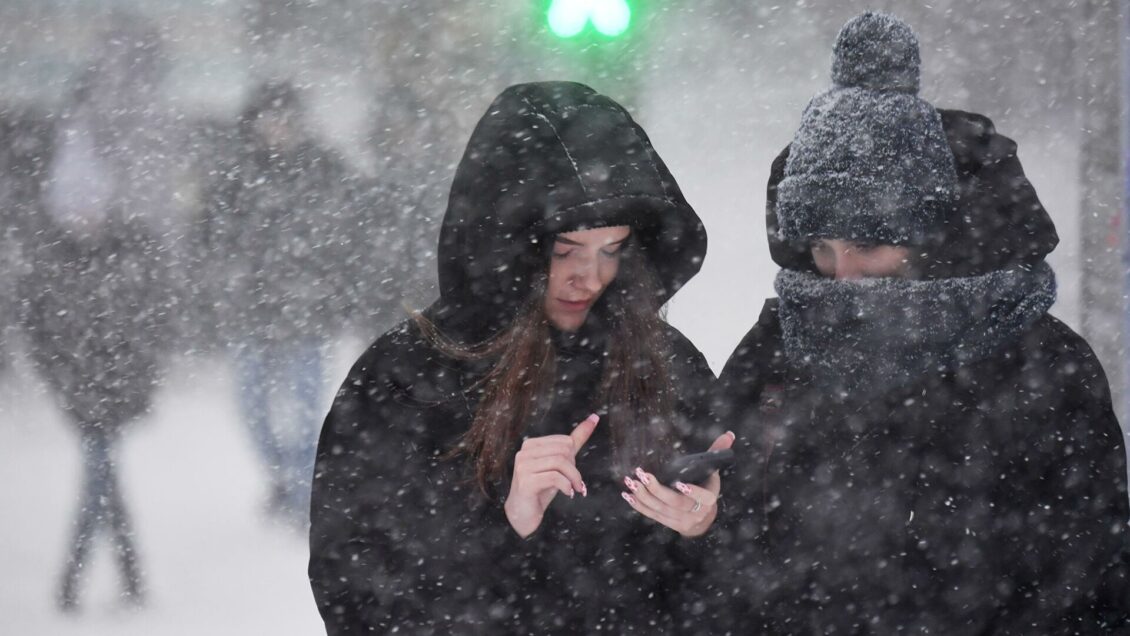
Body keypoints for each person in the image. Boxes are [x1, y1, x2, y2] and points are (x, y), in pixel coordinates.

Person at [710, 12, 1129, 633]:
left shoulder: (1041, 363)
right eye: (822, 249)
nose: (841, 274)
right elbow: (722, 555)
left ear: (931, 239)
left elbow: (1094, 582)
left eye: (867, 245)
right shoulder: (776, 349)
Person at [308, 81, 731, 634]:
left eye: (614, 250)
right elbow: (357, 592)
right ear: (505, 245)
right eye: (566, 251)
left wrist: (705, 527)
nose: (592, 276)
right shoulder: (409, 376)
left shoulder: (664, 363)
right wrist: (506, 528)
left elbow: (746, 582)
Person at [207, 80, 354, 527]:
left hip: (308, 314)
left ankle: (300, 492)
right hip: (251, 313)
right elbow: (212, 238)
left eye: (284, 117)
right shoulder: (235, 175)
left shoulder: (324, 169)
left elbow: (349, 236)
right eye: (269, 117)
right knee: (253, 409)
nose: (277, 127)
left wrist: (331, 285)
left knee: (308, 413)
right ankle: (284, 477)